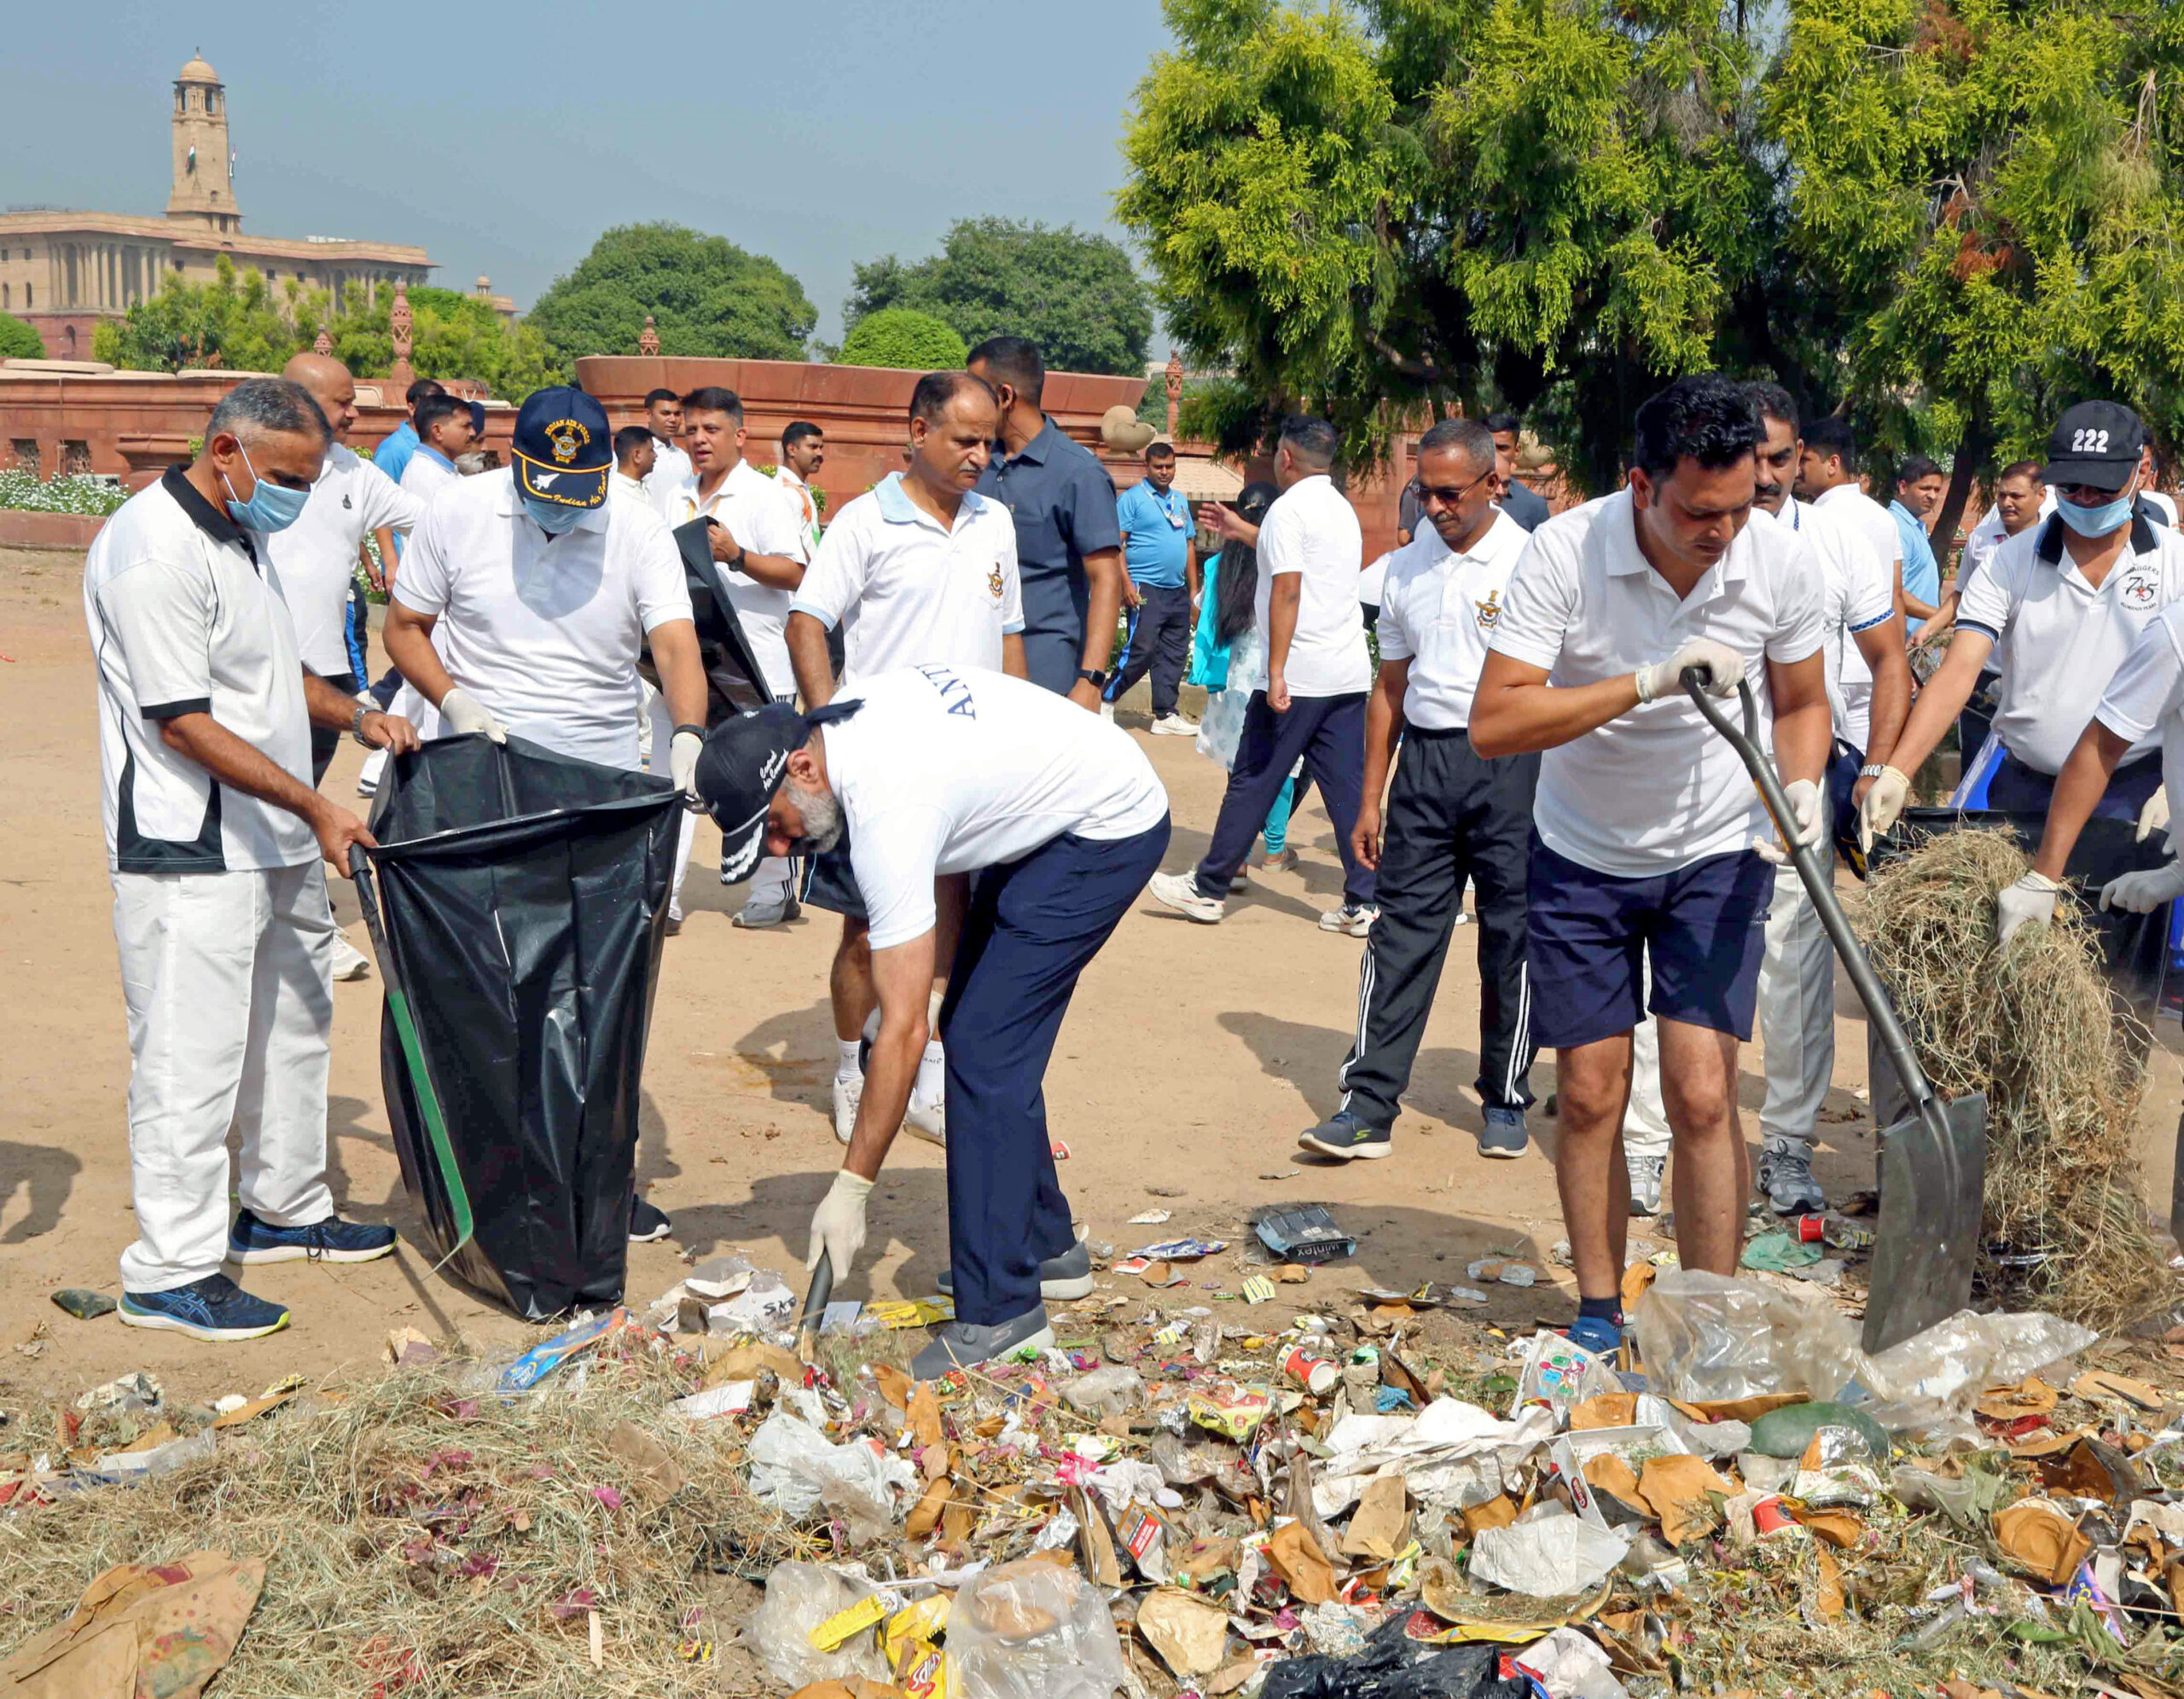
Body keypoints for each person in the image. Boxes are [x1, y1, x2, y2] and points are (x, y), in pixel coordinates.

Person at [1470, 374, 1832, 1356]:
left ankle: (1708, 1319)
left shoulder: (1778, 562)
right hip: (1581, 851)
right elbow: (1497, 721)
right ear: (1640, 485)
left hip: (1717, 850)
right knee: (1588, 1092)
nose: (1721, 532)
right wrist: (1643, 682)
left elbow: (1801, 704)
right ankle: (1597, 1310)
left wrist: (1800, 787)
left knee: (1703, 1095)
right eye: (1696, 513)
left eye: (1741, 506)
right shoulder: (1565, 551)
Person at [694, 664, 1170, 1377]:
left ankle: (1002, 1314)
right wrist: (946, 980)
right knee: (984, 1028)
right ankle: (1044, 1248)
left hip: (1105, 828)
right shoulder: (849, 742)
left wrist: (853, 1187)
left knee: (980, 1049)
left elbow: (906, 1031)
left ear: (802, 767)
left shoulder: (888, 803)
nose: (781, 850)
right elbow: (950, 858)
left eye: (775, 827)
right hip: (1055, 813)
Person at [84, 378, 420, 1341]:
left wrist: (355, 714)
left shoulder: (245, 536)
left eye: (310, 481)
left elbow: (272, 672)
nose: (297, 498)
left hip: (271, 835)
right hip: (189, 847)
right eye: (283, 477)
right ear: (224, 449)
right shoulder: (152, 551)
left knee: (295, 1027)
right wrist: (319, 804)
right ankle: (171, 1270)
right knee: (191, 1057)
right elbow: (183, 720)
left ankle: (284, 1208)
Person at [381, 385, 710, 1244]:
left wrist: (686, 735)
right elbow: (406, 626)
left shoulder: (634, 519)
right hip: (482, 769)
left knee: (602, 989)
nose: (561, 515)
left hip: (599, 777)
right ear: (512, 465)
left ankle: (601, 1181)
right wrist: (452, 702)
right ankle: (488, 1178)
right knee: (488, 980)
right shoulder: (458, 512)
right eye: (545, 494)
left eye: (579, 495)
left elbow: (674, 640)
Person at [787, 371, 1028, 1146]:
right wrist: (831, 731)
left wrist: (1017, 732)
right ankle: (853, 1070)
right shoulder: (865, 521)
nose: (979, 457)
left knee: (948, 919)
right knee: (866, 929)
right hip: (878, 763)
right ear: (918, 431)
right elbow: (806, 622)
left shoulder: (995, 522)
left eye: (989, 442)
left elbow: (1010, 634)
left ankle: (924, 1077)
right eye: (964, 440)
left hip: (968, 765)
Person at [1295, 418, 1540, 1164]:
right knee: (1400, 934)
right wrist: (1370, 798)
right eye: (1422, 492)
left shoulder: (1534, 564)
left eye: (1449, 493)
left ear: (1494, 483)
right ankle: (1367, 1105)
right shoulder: (1402, 569)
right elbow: (1389, 690)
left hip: (1514, 764)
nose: (1433, 507)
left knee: (1510, 937)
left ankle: (1505, 1097)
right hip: (1426, 771)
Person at [1740, 384, 1913, 1215]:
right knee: (1666, 968)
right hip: (1692, 792)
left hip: (1801, 787)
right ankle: (1649, 1146)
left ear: (1801, 455)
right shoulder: (1691, 533)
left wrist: (1878, 768)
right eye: (1751, 458)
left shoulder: (1838, 541)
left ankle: (1784, 1147)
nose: (1766, 476)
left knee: (1795, 974)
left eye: (1780, 458)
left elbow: (1889, 660)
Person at [1863, 403, 2184, 849]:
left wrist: (2175, 788)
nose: (2087, 499)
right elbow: (1959, 671)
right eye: (2073, 487)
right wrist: (1898, 770)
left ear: (2137, 472)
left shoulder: (2175, 563)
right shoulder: (2011, 563)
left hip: (2132, 794)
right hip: (2026, 791)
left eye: (2102, 488)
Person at [1148, 416, 1379, 935]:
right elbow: (1303, 564)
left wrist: (1275, 670)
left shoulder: (1288, 507)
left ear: (1286, 456)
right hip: (1344, 674)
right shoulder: (1339, 507)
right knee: (1344, 788)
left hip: (1297, 674)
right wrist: (1244, 532)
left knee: (1252, 777)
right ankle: (1363, 901)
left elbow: (1289, 588)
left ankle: (1208, 889)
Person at [265, 353, 423, 983]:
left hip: (326, 673)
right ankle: (308, 932)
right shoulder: (257, 471)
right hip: (260, 667)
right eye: (342, 403)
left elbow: (434, 517)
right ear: (294, 402)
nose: (355, 413)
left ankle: (291, 917)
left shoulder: (355, 472)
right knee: (279, 799)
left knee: (297, 796)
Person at [660, 386, 813, 930]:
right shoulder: (673, 492)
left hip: (754, 662)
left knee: (760, 781)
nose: (699, 440)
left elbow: (799, 572)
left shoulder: (766, 497)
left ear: (740, 435)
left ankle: (773, 891)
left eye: (712, 430)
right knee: (672, 772)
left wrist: (738, 557)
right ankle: (666, 896)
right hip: (681, 657)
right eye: (691, 430)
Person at [966, 336, 1124, 705]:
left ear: (1005, 396)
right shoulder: (975, 465)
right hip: (974, 665)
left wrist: (1091, 680)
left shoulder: (1077, 473)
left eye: (977, 390)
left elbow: (1106, 578)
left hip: (1047, 672)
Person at [1931, 461, 2046, 765]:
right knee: (1976, 757)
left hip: (2034, 674)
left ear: (2041, 496)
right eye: (2001, 495)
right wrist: (1930, 627)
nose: (2007, 503)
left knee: (2028, 762)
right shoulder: (1981, 539)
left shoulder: (2057, 543)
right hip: (1984, 671)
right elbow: (1961, 595)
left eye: (2017, 496)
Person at [1104, 441, 1200, 734]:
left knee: (1174, 652)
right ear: (1147, 467)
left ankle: (1165, 715)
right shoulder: (1133, 499)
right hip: (1145, 588)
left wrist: (1195, 592)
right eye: (1158, 467)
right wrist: (1127, 585)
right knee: (1141, 649)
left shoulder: (1180, 501)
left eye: (1169, 466)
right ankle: (1105, 700)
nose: (1164, 472)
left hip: (1177, 590)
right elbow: (1116, 544)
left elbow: (1189, 544)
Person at [1795, 418, 1907, 627]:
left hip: (1828, 652)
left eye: (1804, 460)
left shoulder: (1813, 521)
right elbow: (1896, 594)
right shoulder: (1884, 517)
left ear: (1833, 464)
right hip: (1876, 651)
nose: (1796, 469)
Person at [1890, 454, 1946, 634]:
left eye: (1937, 490)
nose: (1932, 496)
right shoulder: (1897, 527)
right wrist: (1941, 617)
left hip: (1919, 644)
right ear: (1903, 487)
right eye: (1925, 488)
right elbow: (1893, 592)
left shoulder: (1913, 525)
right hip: (1905, 646)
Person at [397, 393, 477, 511]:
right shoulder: (423, 475)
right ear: (438, 431)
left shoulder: (440, 470)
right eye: (466, 426)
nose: (472, 433)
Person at [371, 378, 446, 492]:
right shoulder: (393, 450)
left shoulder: (438, 444)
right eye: (430, 407)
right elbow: (380, 498)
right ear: (412, 409)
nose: (437, 413)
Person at [1483, 411, 1553, 532]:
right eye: (1487, 447)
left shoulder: (1534, 507)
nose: (1494, 454)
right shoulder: (1458, 498)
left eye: (1502, 448)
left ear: (1517, 451)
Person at [775, 420, 827, 555]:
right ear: (792, 449)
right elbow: (792, 547)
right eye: (813, 447)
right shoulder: (784, 491)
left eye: (821, 447)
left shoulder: (800, 487)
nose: (819, 454)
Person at [639, 388, 692, 512]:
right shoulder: (635, 454)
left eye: (677, 414)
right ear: (648, 415)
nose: (673, 420)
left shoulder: (683, 457)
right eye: (665, 413)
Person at [612, 425, 656, 504]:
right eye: (651, 450)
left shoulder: (643, 488)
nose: (655, 455)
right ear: (637, 455)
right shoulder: (613, 495)